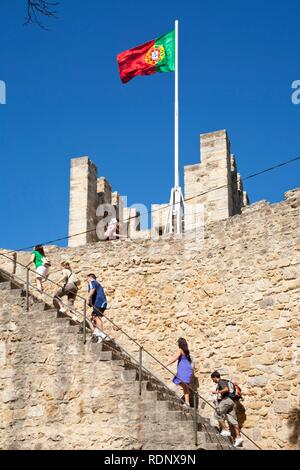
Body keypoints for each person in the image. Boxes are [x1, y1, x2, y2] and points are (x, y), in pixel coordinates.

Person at [211, 371, 244, 447]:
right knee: (233, 420)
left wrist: (217, 392)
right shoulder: (226, 381)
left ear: (215, 377)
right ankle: (238, 437)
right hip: (233, 402)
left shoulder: (221, 382)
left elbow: (226, 389)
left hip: (227, 400)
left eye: (212, 379)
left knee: (217, 413)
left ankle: (225, 430)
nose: (213, 381)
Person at [165, 338, 193, 408]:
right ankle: (187, 403)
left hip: (183, 367)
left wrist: (166, 364)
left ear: (180, 344)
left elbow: (175, 358)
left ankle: (168, 394)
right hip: (188, 368)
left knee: (177, 381)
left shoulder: (180, 350)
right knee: (185, 386)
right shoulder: (187, 352)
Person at [87, 273, 108, 342]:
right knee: (93, 316)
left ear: (90, 277)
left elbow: (92, 289)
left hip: (99, 302)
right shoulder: (96, 283)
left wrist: (88, 298)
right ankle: (97, 332)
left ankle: (101, 334)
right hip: (100, 302)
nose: (87, 280)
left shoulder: (92, 282)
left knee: (97, 317)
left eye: (87, 278)